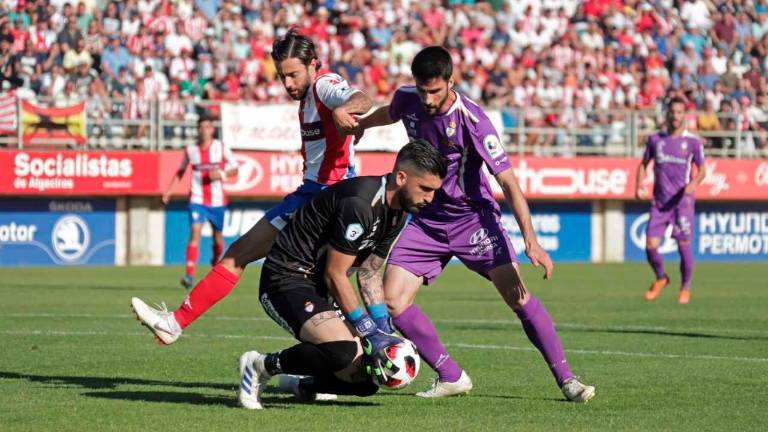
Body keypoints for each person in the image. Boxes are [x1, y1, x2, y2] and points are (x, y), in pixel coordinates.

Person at [353, 46, 595, 402]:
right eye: (422, 90)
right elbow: (390, 112)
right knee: (392, 300)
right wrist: (360, 126)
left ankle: (567, 380)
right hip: (427, 220)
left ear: (452, 81)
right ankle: (451, 376)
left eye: (435, 91)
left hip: (473, 220)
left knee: (517, 296)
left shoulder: (472, 119)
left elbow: (509, 182)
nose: (428, 98)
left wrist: (531, 240)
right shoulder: (408, 99)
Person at [131, 30, 373, 344]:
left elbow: (362, 98)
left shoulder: (324, 85)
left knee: (240, 254)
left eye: (293, 74)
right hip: (323, 195)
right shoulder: (308, 96)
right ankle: (332, 365)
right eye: (282, 76)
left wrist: (345, 108)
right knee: (315, 284)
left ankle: (175, 323)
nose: (287, 84)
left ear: (313, 64)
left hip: (323, 196)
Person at [235, 140, 447, 409]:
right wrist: (368, 330)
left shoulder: (398, 213)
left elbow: (369, 272)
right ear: (401, 177)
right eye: (425, 189)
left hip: (321, 286)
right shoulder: (360, 203)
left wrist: (383, 328)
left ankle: (301, 384)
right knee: (343, 352)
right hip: (286, 279)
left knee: (370, 377)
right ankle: (260, 365)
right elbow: (336, 275)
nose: (429, 198)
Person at [635, 97, 706, 304]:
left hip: (682, 203)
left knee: (684, 246)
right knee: (650, 245)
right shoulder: (656, 140)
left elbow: (702, 170)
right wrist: (639, 185)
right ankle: (661, 278)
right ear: (666, 114)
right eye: (672, 112)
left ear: (685, 115)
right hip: (660, 202)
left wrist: (693, 184)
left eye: (679, 112)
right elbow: (643, 164)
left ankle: (685, 288)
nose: (675, 116)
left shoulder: (692, 142)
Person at [161, 115, 238, 288]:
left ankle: (215, 261)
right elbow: (180, 171)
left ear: (212, 129)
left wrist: (222, 174)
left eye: (207, 127)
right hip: (196, 200)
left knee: (218, 239)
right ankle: (189, 275)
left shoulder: (221, 147)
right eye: (201, 127)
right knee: (195, 233)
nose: (204, 130)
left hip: (218, 202)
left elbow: (235, 169)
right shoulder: (191, 150)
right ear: (198, 130)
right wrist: (169, 191)